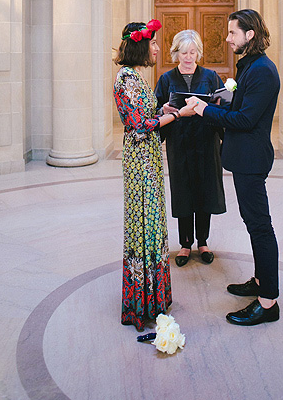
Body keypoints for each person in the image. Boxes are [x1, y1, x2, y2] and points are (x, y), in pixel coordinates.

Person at [186, 10, 280, 326]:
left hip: (251, 159)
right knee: (254, 223)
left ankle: (268, 303)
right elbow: (239, 107)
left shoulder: (263, 70)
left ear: (249, 34)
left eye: (232, 33)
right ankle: (259, 281)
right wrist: (219, 102)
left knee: (260, 226)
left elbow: (245, 120)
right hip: (243, 158)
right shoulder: (251, 66)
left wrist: (205, 110)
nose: (227, 39)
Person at [113, 19, 194, 331]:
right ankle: (141, 302)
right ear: (141, 44)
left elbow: (147, 115)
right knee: (143, 222)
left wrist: (166, 111)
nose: (158, 48)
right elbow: (138, 124)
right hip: (139, 161)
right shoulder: (125, 78)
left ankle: (154, 297)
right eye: (155, 43)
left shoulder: (137, 76)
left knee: (153, 221)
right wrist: (175, 115)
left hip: (149, 157)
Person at [155, 30, 226, 267]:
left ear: (198, 52)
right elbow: (156, 111)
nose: (188, 57)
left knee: (205, 192)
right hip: (181, 143)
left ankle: (203, 242)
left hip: (206, 143)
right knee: (183, 192)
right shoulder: (166, 79)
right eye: (184, 52)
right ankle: (185, 244)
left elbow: (223, 108)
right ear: (176, 53)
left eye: (193, 52)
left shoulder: (211, 76)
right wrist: (164, 110)